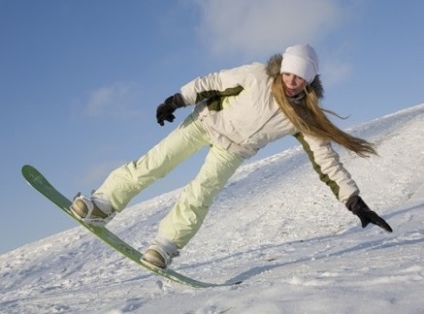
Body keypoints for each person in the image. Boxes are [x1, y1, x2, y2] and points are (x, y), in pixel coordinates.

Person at [70, 44, 392, 269]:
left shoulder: (303, 116)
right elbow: (214, 81)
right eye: (290, 73)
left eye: (300, 78)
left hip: (232, 151)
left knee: (200, 193)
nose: (292, 82)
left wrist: (354, 201)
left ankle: (164, 247)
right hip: (205, 123)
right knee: (154, 164)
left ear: (308, 81)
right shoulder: (256, 75)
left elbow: (326, 160)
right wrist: (175, 100)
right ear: (283, 68)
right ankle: (102, 204)